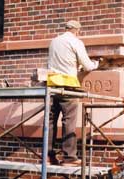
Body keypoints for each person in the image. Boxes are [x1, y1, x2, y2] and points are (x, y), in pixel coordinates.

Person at [47, 20, 99, 166]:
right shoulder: (76, 42)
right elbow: (87, 65)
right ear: (77, 30)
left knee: (50, 121)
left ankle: (48, 156)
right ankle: (69, 158)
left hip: (52, 85)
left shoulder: (54, 41)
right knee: (69, 120)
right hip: (68, 85)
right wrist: (95, 64)